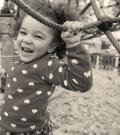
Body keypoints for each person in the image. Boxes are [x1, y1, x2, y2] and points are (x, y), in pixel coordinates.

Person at [0, 2, 93, 135]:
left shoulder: (47, 65)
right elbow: (17, 87)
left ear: (52, 46)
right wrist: (4, 79)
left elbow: (82, 82)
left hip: (28, 131)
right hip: (5, 126)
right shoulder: (20, 59)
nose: (26, 40)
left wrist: (73, 45)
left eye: (37, 36)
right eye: (23, 32)